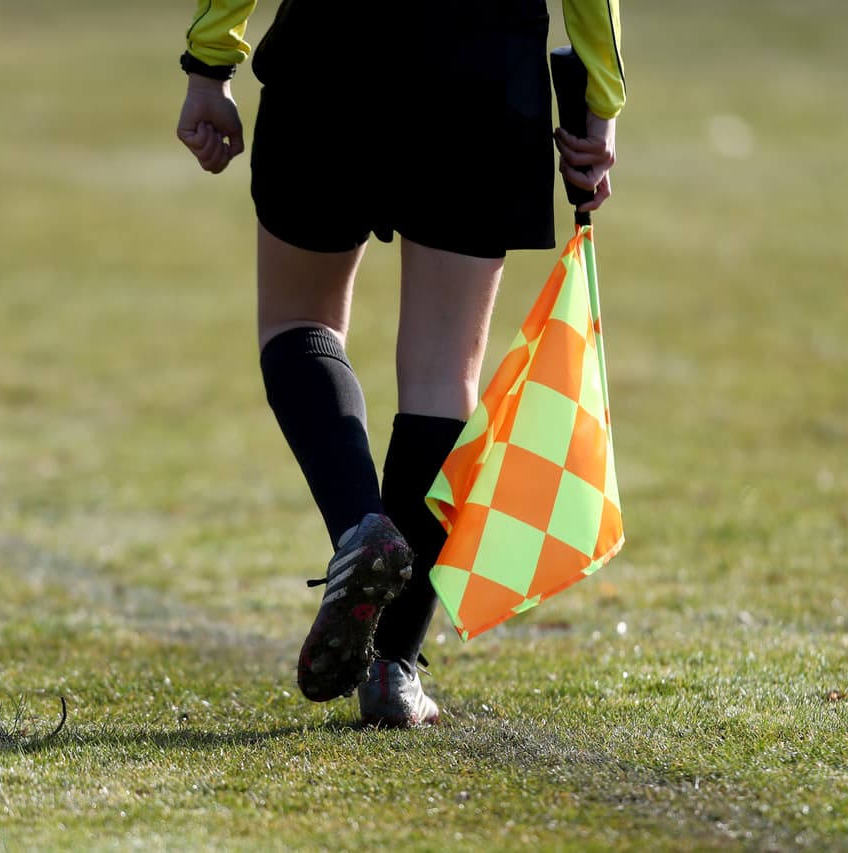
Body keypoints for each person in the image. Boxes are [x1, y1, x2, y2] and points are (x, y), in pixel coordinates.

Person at [176, 0, 625, 728]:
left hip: (334, 44)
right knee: (443, 373)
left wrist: (209, 61)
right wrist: (600, 101)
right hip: (484, 57)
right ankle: (393, 666)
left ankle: (361, 526)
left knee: (300, 321)